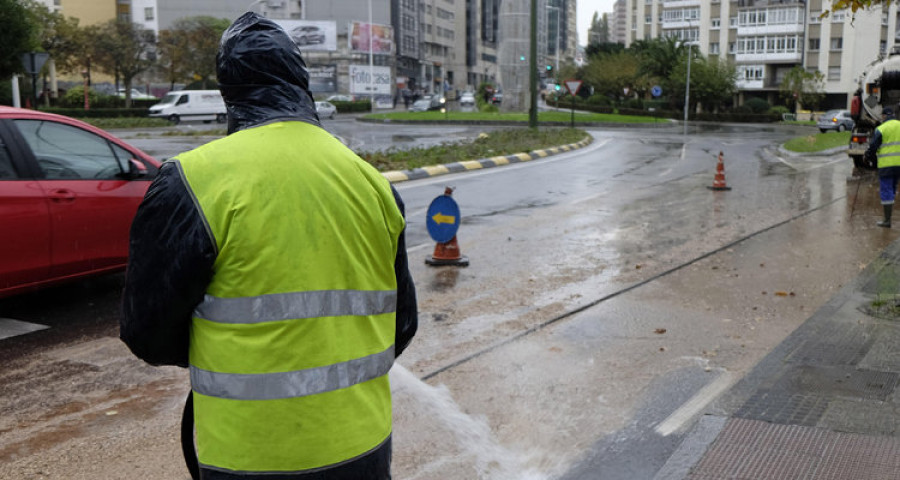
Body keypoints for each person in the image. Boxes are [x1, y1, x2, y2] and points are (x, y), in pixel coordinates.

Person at [120, 12, 417, 480]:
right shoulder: (371, 183)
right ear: (301, 82)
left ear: (228, 89)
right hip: (365, 445)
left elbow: (147, 332)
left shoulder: (193, 182)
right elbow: (402, 325)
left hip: (251, 454)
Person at [865, 105, 900, 228]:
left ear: (884, 116)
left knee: (886, 190)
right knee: (893, 188)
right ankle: (888, 217)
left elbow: (873, 146)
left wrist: (868, 156)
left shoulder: (881, 129)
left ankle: (887, 220)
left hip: (886, 165)